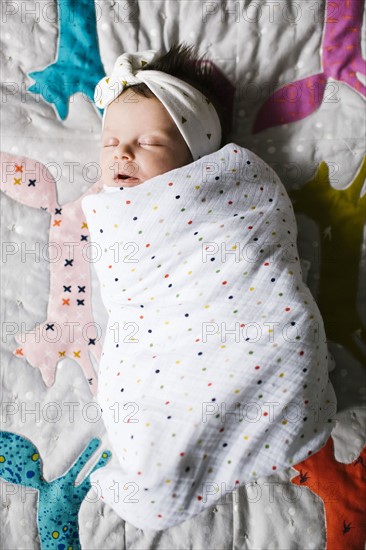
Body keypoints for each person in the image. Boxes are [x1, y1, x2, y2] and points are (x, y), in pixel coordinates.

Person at [95, 42, 234, 188]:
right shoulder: (93, 199)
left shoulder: (214, 201)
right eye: (110, 143)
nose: (120, 151)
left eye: (148, 142)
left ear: (197, 160)